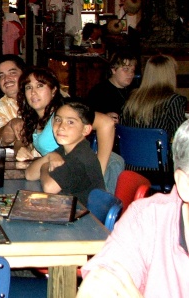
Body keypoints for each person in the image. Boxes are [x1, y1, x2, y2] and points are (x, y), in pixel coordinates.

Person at [78, 119, 189, 298]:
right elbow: (102, 282)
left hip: (142, 164)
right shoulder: (150, 218)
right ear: (185, 184)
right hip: (157, 172)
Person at [14, 67, 122, 193]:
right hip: (59, 177)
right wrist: (22, 148)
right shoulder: (35, 119)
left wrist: (100, 168)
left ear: (53, 90)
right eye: (28, 87)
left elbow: (107, 123)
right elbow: (23, 143)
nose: (33, 92)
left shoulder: (63, 112)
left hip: (81, 173)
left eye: (40, 86)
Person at [26, 102, 105, 205]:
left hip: (86, 217)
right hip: (68, 208)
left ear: (86, 129)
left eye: (70, 122)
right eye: (58, 120)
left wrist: (44, 166)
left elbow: (49, 188)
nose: (61, 126)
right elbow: (29, 174)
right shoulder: (64, 149)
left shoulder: (80, 157)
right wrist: (49, 156)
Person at [121, 54, 187, 143]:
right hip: (159, 154)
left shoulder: (132, 98)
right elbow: (180, 136)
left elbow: (122, 128)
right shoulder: (173, 100)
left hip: (131, 154)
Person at [87, 49, 137, 123]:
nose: (131, 74)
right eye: (126, 69)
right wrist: (103, 118)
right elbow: (88, 118)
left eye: (132, 70)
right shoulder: (99, 92)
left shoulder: (134, 91)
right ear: (113, 70)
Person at [0, 54, 26, 148]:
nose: (6, 79)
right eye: (1, 76)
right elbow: (1, 139)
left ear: (24, 74)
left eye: (12, 73)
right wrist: (11, 124)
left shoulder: (40, 97)